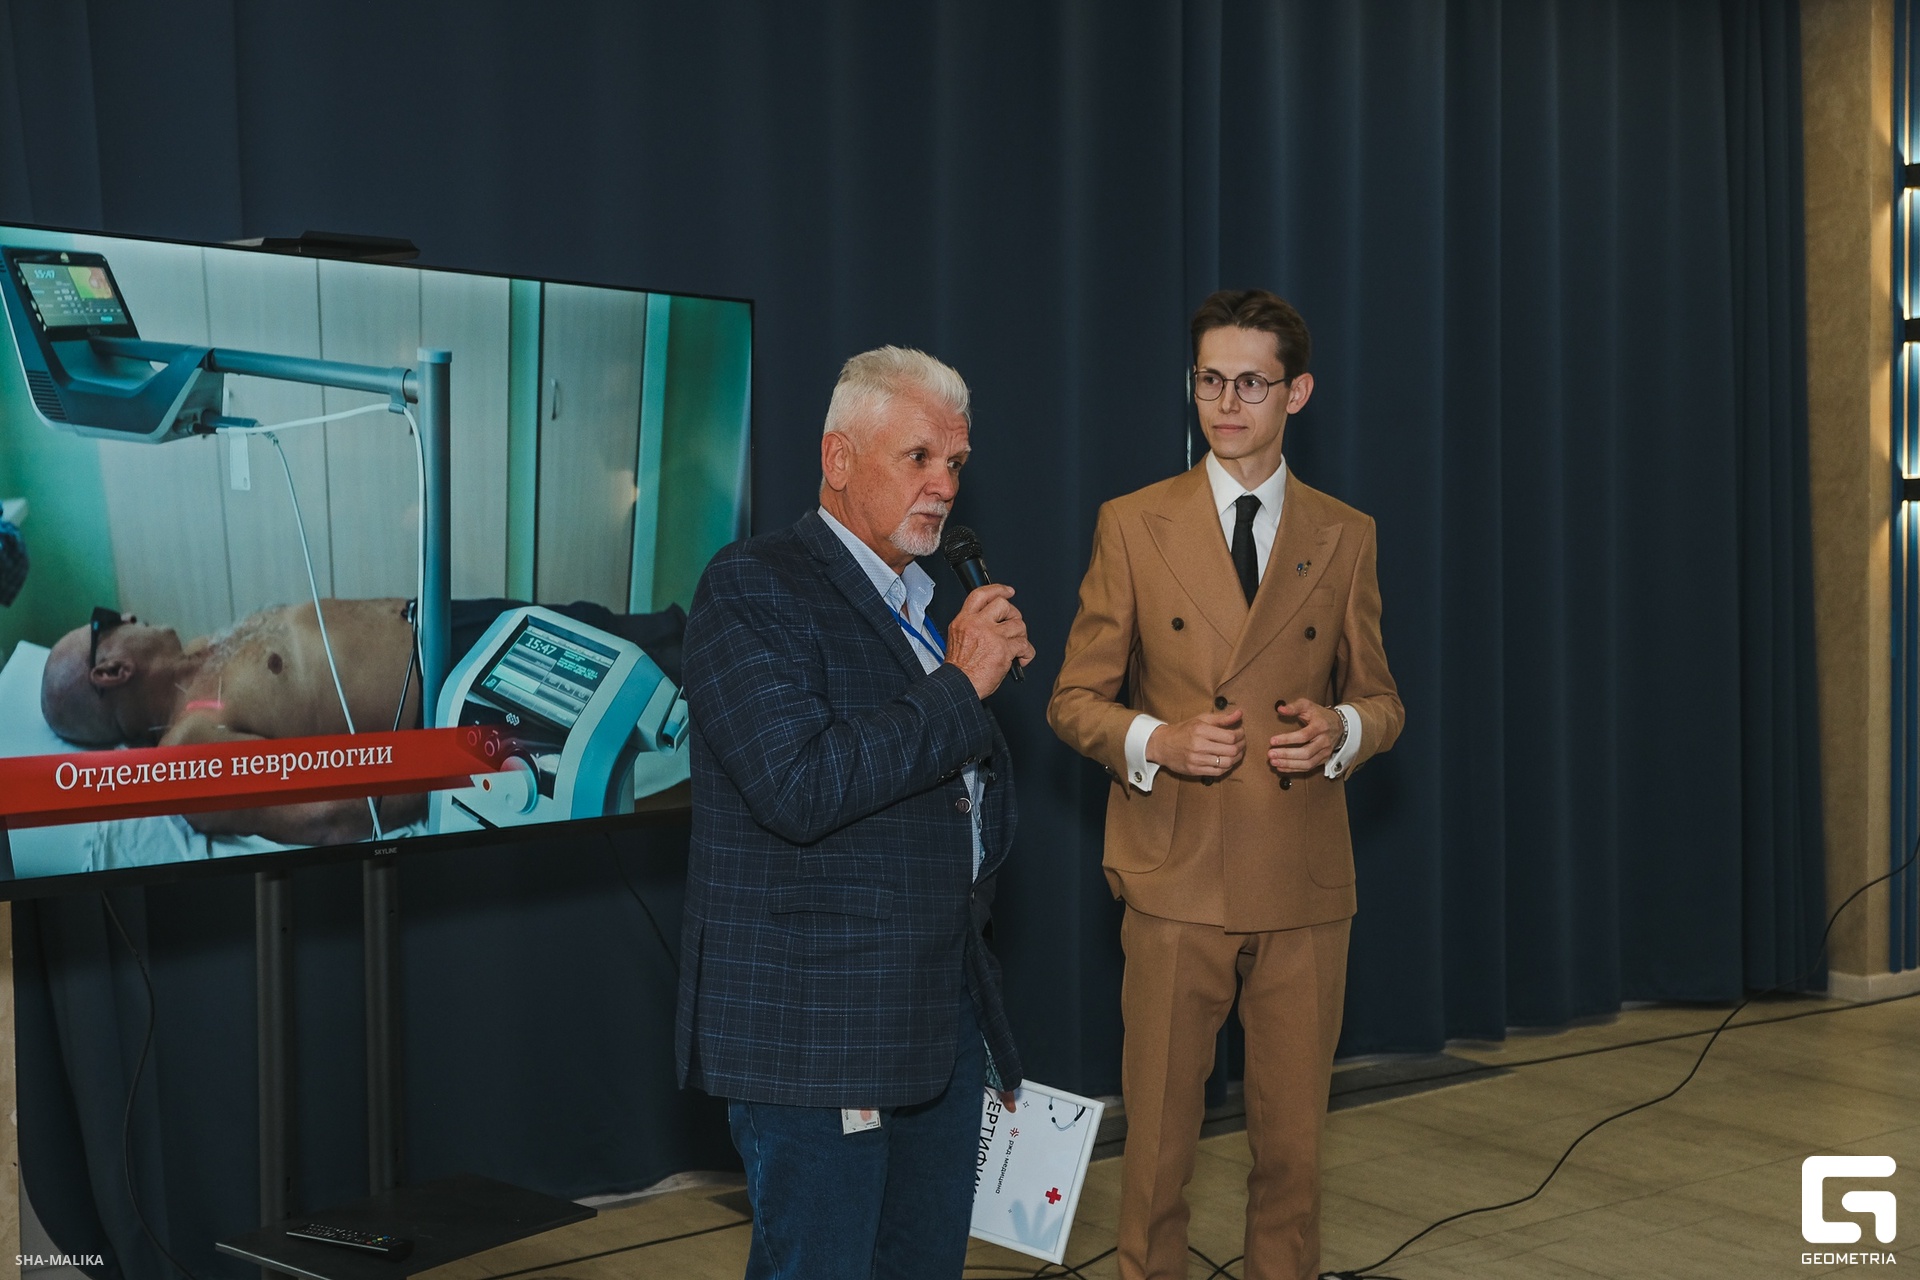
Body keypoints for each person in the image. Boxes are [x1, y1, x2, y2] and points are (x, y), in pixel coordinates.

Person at [1048, 290, 1404, 1280]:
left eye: (1251, 382)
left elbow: (1383, 699)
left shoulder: (1346, 533)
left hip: (1302, 882)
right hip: (1175, 879)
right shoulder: (1133, 524)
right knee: (1157, 1155)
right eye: (1210, 380)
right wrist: (1159, 739)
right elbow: (1073, 700)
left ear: (1298, 392)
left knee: (1293, 1157)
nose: (1227, 402)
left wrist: (1343, 730)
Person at [677, 346, 1035, 1279]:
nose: (944, 484)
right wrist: (959, 685)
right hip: (819, 1030)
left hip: (938, 1014)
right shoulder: (752, 585)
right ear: (838, 458)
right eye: (918, 457)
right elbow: (800, 787)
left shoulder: (922, 606)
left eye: (955, 462)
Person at [37, 596, 684, 844]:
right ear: (110, 671)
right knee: (666, 689)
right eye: (105, 622)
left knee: (630, 633)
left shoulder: (206, 650)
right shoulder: (188, 751)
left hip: (454, 626)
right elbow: (325, 814)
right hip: (458, 697)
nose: (125, 614)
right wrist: (466, 765)